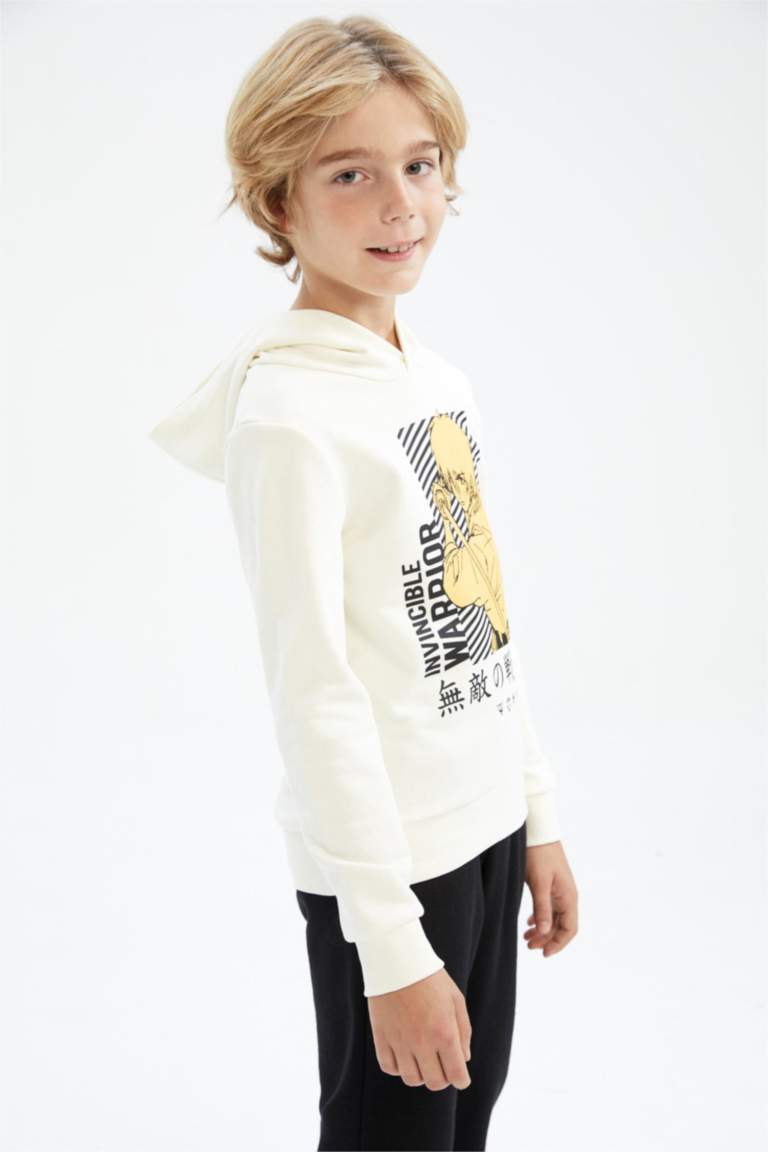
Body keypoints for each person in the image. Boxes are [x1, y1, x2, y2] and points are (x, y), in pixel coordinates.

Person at [149, 14, 579, 1151]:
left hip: (484, 833)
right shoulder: (289, 420)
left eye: (420, 165)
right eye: (351, 174)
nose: (402, 205)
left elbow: (481, 618)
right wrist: (388, 945)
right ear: (277, 202)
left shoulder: (436, 383)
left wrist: (535, 812)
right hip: (387, 868)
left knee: (464, 1125)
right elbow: (316, 696)